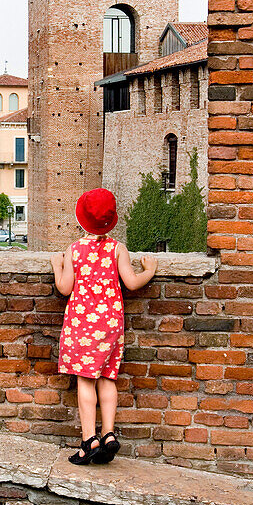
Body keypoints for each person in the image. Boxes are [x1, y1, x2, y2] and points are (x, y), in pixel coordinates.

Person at [50, 188, 157, 465]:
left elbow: (64, 288)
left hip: (82, 323)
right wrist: (150, 270)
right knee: (108, 378)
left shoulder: (74, 250)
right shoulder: (117, 249)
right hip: (110, 324)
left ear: (81, 219)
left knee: (86, 380)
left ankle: (89, 442)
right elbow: (132, 283)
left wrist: (56, 265)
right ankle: (109, 434)